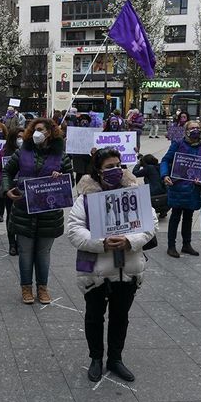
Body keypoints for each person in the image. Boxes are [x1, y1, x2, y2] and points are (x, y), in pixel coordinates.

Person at [68, 148, 157, 382]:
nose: (115, 170)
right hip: (96, 270)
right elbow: (74, 231)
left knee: (121, 316)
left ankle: (115, 359)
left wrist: (129, 240)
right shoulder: (84, 198)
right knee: (94, 316)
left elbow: (150, 225)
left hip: (127, 269)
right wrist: (103, 243)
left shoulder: (134, 194)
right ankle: (96, 358)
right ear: (98, 170)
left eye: (118, 165)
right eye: (109, 167)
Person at [2, 118, 73, 304]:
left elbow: (69, 181)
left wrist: (61, 178)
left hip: (49, 213)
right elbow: (6, 172)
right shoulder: (21, 152)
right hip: (23, 210)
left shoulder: (62, 157)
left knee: (43, 253)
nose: (36, 132)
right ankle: (26, 288)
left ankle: (42, 288)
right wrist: (7, 189)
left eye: (40, 129)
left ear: (50, 132)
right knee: (25, 252)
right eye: (34, 129)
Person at [160, 120, 201, 258]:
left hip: (193, 188)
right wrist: (165, 175)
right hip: (177, 186)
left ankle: (186, 244)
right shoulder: (178, 144)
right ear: (186, 131)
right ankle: (171, 246)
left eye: (197, 127)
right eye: (192, 128)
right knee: (175, 216)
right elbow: (165, 160)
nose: (195, 130)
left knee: (188, 216)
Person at [0, 128, 22, 255]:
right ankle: (12, 243)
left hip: (24, 189)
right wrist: (3, 180)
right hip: (9, 189)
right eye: (18, 137)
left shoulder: (30, 153)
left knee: (22, 217)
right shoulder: (3, 153)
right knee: (10, 216)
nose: (21, 140)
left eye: (23, 137)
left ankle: (21, 242)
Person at [133, 153, 168, 219]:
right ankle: (163, 211)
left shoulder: (149, 168)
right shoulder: (160, 166)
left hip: (152, 194)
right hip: (164, 192)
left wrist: (138, 164)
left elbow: (135, 173)